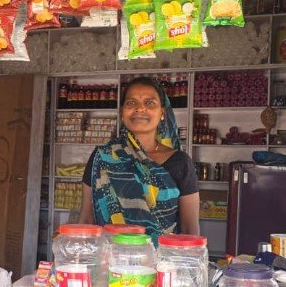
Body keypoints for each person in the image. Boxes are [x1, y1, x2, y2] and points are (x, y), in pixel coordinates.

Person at [79, 76, 200, 237]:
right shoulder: (103, 157)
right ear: (122, 112)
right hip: (110, 251)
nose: (140, 109)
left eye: (149, 103)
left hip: (163, 253)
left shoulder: (180, 162)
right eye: (131, 103)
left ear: (162, 113)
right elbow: (86, 218)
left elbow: (189, 229)